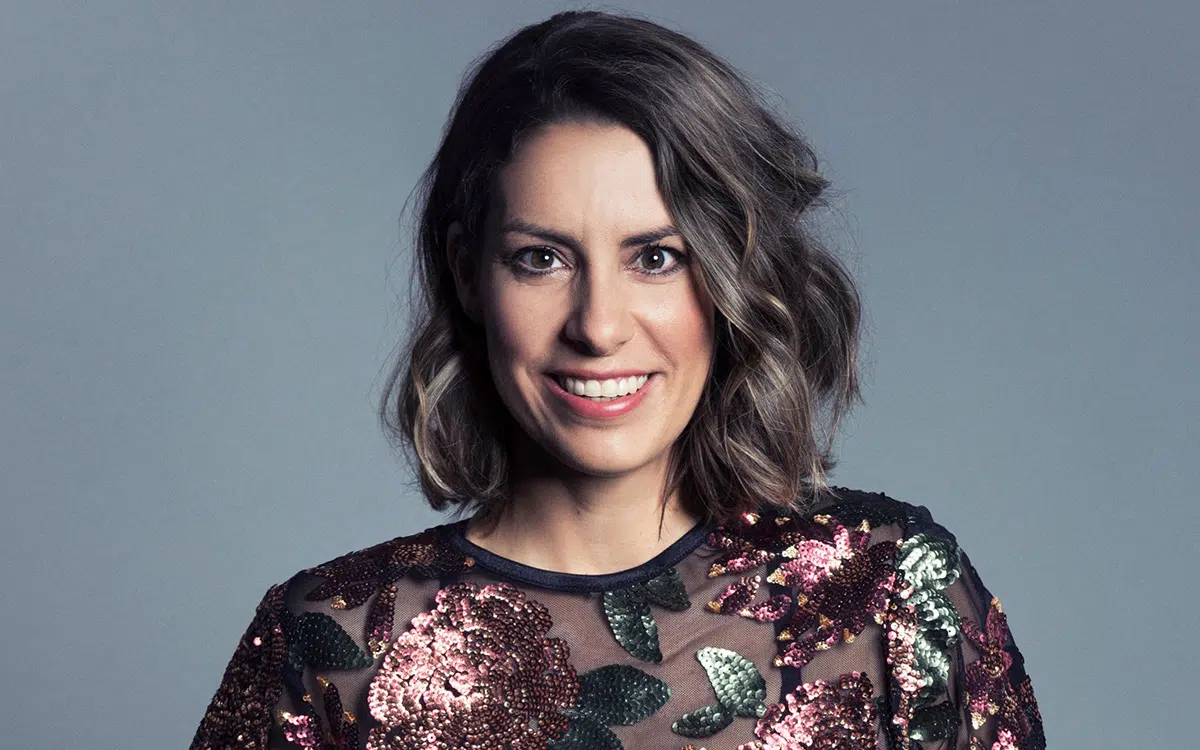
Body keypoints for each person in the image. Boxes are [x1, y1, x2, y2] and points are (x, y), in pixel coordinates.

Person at [191, 11, 1043, 750]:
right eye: (541, 259)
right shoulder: (330, 642)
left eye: (657, 258)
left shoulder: (890, 593)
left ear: (734, 278)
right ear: (467, 274)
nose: (598, 327)